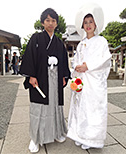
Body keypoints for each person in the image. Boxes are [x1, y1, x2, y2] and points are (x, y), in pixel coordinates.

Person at [19, 8, 70, 153]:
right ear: (42, 22)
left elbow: (64, 61)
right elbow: (29, 56)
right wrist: (31, 76)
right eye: (47, 20)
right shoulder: (36, 38)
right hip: (40, 78)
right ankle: (35, 138)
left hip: (55, 79)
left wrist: (63, 77)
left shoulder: (59, 42)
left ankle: (56, 133)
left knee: (54, 106)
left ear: (56, 23)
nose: (50, 23)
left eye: (53, 20)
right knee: (39, 108)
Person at [67, 3, 112, 150]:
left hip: (94, 82)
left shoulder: (101, 41)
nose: (88, 25)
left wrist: (88, 66)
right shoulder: (81, 44)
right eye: (85, 22)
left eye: (90, 22)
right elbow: (75, 60)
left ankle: (92, 139)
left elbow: (104, 60)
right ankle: (80, 135)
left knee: (93, 110)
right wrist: (76, 67)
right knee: (80, 108)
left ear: (95, 24)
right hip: (82, 80)